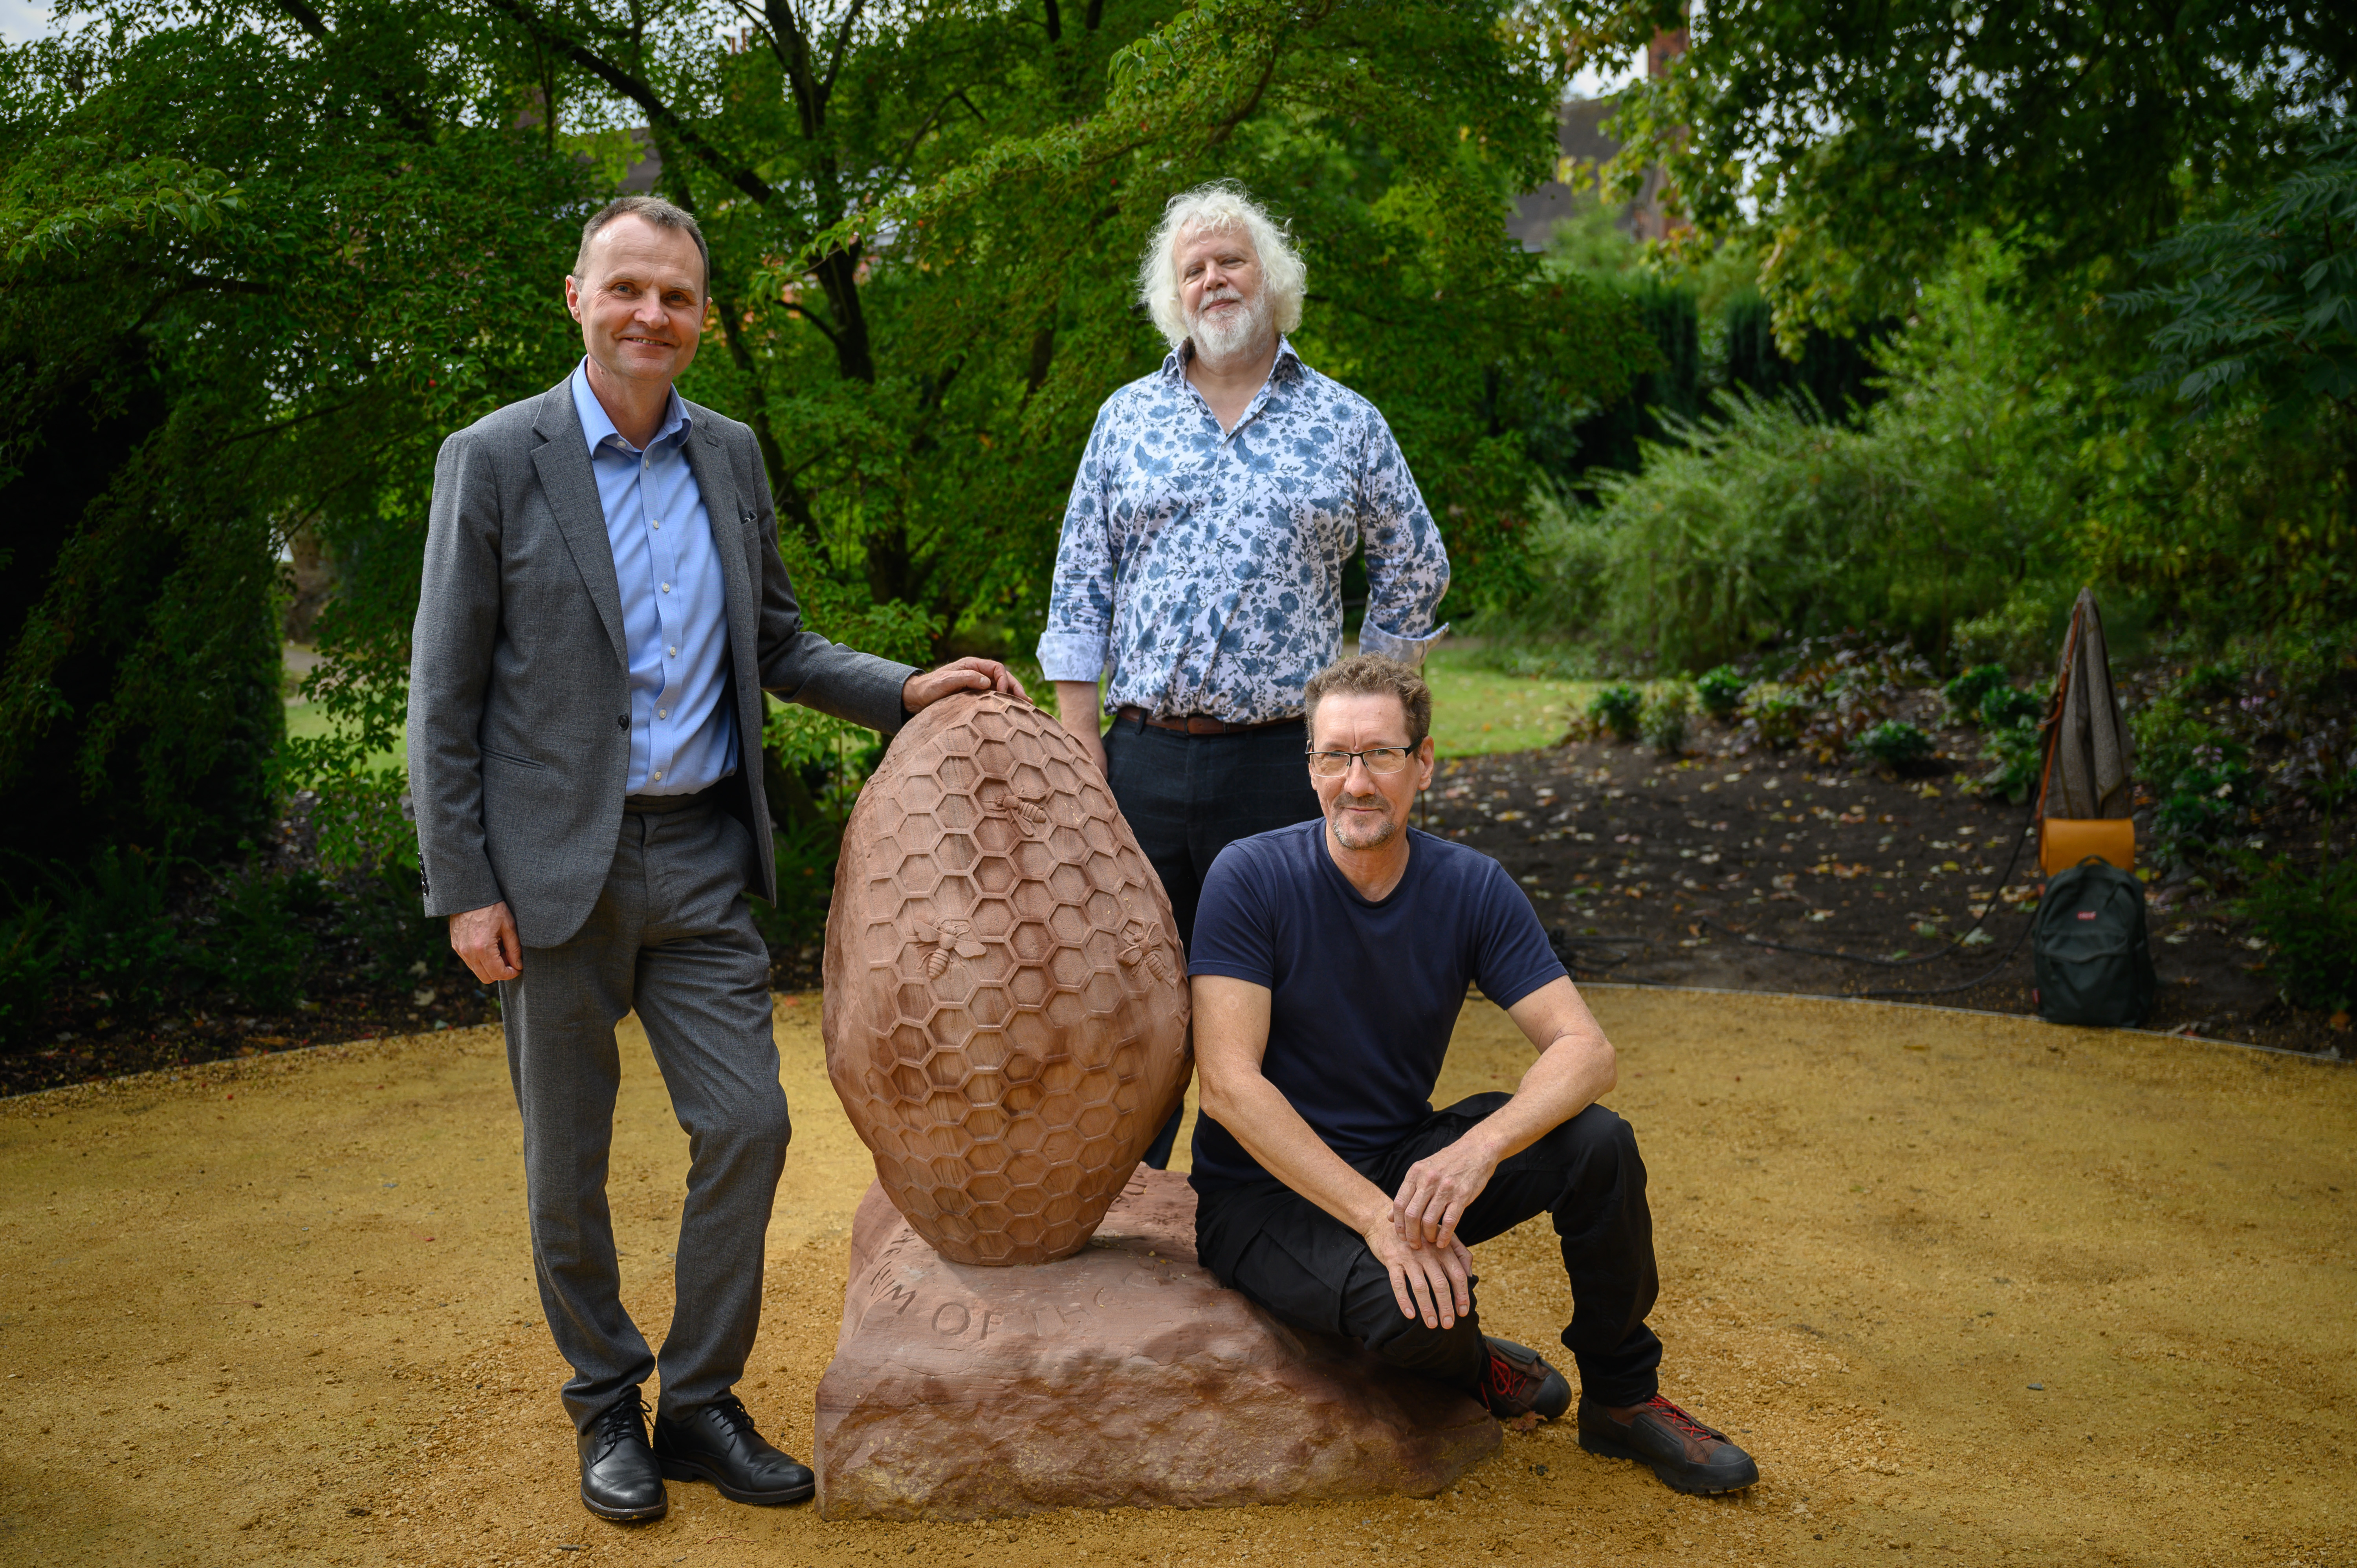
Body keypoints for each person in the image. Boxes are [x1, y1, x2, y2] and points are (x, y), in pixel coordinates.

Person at [407, 194, 1023, 1525]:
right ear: (577, 296)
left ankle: (697, 1402)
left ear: (702, 318)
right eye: (627, 289)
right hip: (548, 874)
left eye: (677, 298)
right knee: (565, 1168)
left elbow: (781, 643)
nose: (652, 317)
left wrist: (908, 686)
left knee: (749, 1125)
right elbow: (442, 694)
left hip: (699, 859)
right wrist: (464, 884)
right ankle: (604, 1406)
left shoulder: (729, 458)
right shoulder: (497, 459)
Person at [1186, 655, 1759, 1497]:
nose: (1355, 782)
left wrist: (1478, 1149)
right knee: (1410, 1306)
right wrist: (1379, 1220)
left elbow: (1586, 1050)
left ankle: (1623, 1399)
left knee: (1598, 1143)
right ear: (1307, 766)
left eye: (1379, 754)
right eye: (1332, 756)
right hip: (1266, 1198)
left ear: (1423, 763)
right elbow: (1231, 1085)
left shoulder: (1470, 886)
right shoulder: (1251, 875)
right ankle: (1475, 1363)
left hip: (1401, 1158)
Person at [1037, 181, 1451, 1167]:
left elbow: (1417, 563)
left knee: (1293, 1000)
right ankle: (1128, 1217)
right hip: (1136, 762)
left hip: (1284, 768)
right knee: (1127, 999)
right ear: (1172, 296)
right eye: (1195, 268)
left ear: (1274, 280)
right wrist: (1078, 753)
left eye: (1232, 260)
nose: (1214, 278)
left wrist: (1365, 720)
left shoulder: (1345, 423)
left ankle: (1279, 1234)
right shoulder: (1124, 420)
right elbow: (1077, 588)